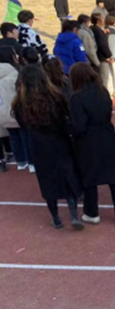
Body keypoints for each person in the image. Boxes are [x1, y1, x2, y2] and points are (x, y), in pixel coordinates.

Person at [11, 65, 83, 230]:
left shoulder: (20, 104)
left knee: (47, 180)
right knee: (68, 176)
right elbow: (66, 118)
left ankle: (56, 217)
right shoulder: (56, 97)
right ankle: (73, 214)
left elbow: (23, 125)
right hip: (60, 142)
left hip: (39, 146)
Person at [69, 63, 115, 226]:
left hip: (88, 141)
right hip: (107, 135)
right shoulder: (103, 91)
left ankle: (92, 213)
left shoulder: (77, 98)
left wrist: (67, 126)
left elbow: (79, 125)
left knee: (89, 177)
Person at [0, 48, 33, 172]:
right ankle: (31, 163)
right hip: (19, 110)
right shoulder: (16, 72)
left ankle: (20, 162)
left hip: (3, 112)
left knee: (14, 137)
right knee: (25, 137)